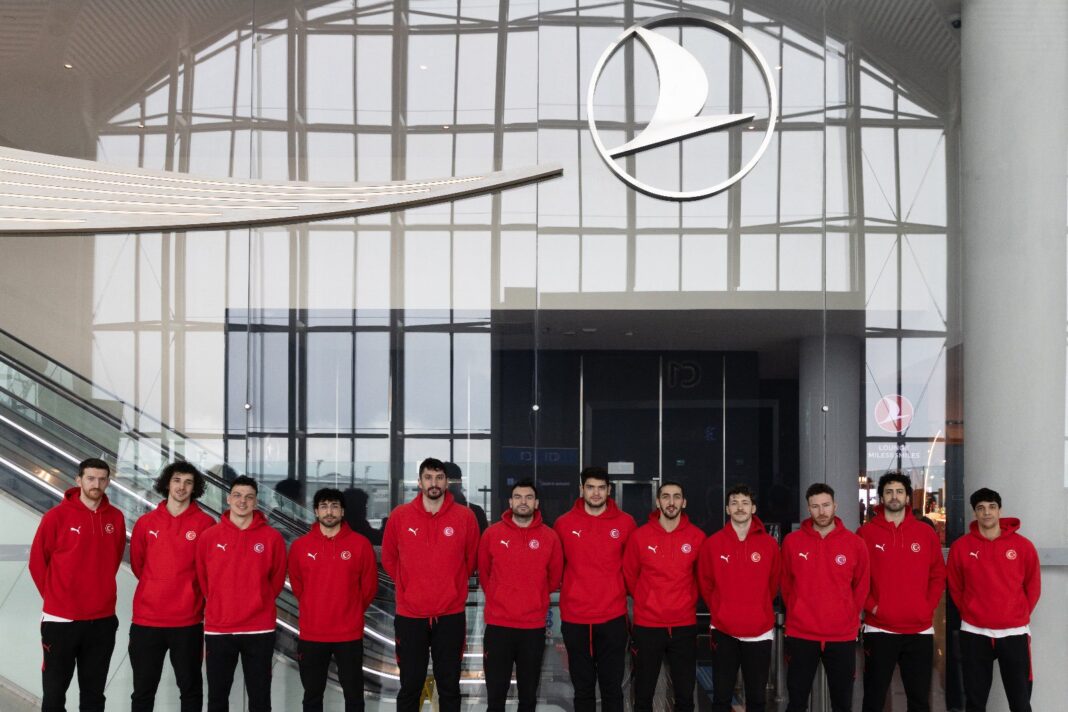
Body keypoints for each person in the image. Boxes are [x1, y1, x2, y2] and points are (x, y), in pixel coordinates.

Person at [381, 457, 480, 712]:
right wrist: (408, 585)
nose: (433, 483)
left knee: (449, 686)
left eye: (439, 478)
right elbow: (389, 558)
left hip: (450, 615)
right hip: (410, 615)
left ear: (447, 482)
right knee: (410, 685)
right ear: (419, 482)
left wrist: (451, 586)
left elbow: (470, 560)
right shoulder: (400, 516)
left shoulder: (465, 517)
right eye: (428, 478)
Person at [29, 457, 126, 712]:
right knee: (54, 693)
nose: (96, 484)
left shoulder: (116, 518)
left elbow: (113, 559)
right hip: (61, 621)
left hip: (102, 620)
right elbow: (37, 562)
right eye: (91, 478)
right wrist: (56, 599)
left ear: (108, 482)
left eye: (102, 479)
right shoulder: (56, 517)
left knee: (94, 695)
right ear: (78, 480)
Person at [129, 461, 215, 712]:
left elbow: (209, 571)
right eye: (177, 480)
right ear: (167, 483)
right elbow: (139, 565)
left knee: (190, 691)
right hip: (146, 621)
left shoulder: (206, 524)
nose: (181, 487)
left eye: (188, 482)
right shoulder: (146, 523)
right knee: (143, 691)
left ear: (195, 488)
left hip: (187, 622)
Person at [196, 475, 287, 712]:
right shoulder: (209, 537)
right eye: (237, 495)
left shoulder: (272, 538)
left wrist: (258, 600)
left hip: (259, 629)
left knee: (260, 698)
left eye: (249, 497)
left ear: (256, 502)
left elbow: (276, 580)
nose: (242, 501)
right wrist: (220, 602)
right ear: (228, 499)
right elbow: (204, 579)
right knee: (217, 697)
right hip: (219, 628)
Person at [857, 472, 945, 712]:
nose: (894, 496)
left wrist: (927, 607)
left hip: (919, 630)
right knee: (873, 698)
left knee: (919, 700)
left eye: (899, 492)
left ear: (907, 497)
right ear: (881, 497)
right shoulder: (865, 534)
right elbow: (856, 579)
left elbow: (938, 574)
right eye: (889, 492)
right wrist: (873, 606)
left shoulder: (925, 533)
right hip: (879, 629)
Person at [947, 488, 1040, 712]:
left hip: (1014, 633)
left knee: (1020, 702)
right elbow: (956, 587)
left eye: (991, 507)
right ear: (974, 513)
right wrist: (971, 612)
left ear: (1000, 511)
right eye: (981, 508)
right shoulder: (961, 547)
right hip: (975, 632)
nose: (986, 512)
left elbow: (1033, 586)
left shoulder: (1023, 546)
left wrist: (1016, 613)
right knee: (975, 702)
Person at [553, 466, 637, 712]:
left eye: (601, 488)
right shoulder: (563, 524)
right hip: (575, 619)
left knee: (612, 689)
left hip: (613, 618)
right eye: (590, 487)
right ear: (581, 489)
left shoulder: (626, 523)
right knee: (582, 689)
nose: (596, 493)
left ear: (609, 490)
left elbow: (632, 568)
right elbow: (556, 568)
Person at [781, 483, 869, 712]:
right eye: (815, 506)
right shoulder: (792, 542)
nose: (821, 511)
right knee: (796, 702)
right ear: (808, 508)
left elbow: (861, 586)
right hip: (801, 634)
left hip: (841, 636)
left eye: (826, 505)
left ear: (835, 506)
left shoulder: (855, 544)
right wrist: (798, 611)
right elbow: (785, 584)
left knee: (842, 703)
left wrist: (848, 615)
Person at [289, 487, 378, 712]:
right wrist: (314, 606)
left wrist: (351, 610)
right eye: (324, 506)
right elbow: (298, 586)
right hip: (312, 633)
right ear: (316, 511)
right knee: (312, 696)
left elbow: (369, 587)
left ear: (342, 511)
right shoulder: (300, 546)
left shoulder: (360, 544)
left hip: (349, 634)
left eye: (335, 506)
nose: (329, 512)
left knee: (354, 696)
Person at [478, 479, 563, 712]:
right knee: (496, 696)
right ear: (510, 502)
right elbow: (485, 574)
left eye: (528, 497)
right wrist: (500, 595)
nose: (523, 502)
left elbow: (554, 578)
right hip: (498, 626)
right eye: (518, 497)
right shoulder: (492, 534)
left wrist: (533, 596)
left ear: (536, 503)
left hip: (532, 628)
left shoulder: (550, 537)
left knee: (528, 696)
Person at [623, 481, 706, 712]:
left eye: (676, 497)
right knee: (643, 695)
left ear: (684, 502)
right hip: (648, 626)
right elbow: (630, 576)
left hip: (684, 626)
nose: (671, 502)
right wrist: (648, 601)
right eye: (666, 497)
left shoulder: (697, 537)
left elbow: (702, 578)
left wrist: (685, 602)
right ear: (658, 502)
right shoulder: (640, 537)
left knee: (685, 696)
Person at [698, 484, 781, 712]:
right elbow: (705, 583)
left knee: (757, 699)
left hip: (759, 631)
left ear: (753, 508)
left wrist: (758, 607)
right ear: (727, 509)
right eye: (734, 503)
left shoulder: (769, 545)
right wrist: (720, 609)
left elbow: (773, 584)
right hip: (723, 631)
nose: (740, 507)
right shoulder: (713, 544)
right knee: (721, 697)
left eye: (745, 503)